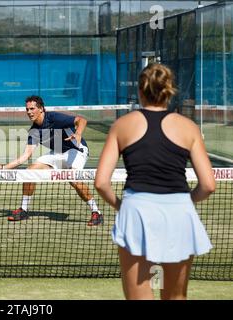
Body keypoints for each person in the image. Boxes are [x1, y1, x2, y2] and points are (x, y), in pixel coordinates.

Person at [94, 63, 215, 300]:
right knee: (175, 297)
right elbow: (208, 185)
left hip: (136, 211)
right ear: (169, 91)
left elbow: (101, 183)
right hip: (180, 212)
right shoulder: (189, 127)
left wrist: (122, 206)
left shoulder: (122, 125)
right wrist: (185, 201)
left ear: (140, 91)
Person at [0, 95, 103, 225]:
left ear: (41, 109)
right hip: (56, 154)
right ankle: (24, 210)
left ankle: (96, 212)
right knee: (29, 172)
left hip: (76, 150)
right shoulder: (34, 131)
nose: (29, 112)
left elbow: (81, 120)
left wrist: (78, 133)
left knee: (73, 179)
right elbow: (25, 156)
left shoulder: (54, 118)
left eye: (32, 109)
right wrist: (3, 168)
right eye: (27, 109)